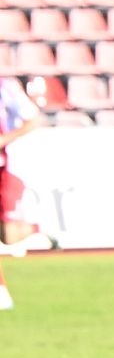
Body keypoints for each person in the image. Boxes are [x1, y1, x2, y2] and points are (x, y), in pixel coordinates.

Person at [0, 74, 46, 306]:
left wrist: (4, 139)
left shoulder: (5, 87)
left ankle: (40, 230)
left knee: (8, 236)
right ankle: (2, 292)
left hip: (4, 168)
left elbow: (33, 120)